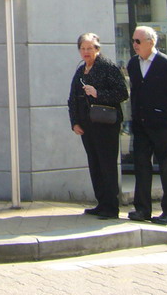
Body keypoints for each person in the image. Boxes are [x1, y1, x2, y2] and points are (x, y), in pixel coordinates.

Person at [127, 25, 167, 226]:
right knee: (142, 166)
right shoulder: (133, 64)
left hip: (162, 125)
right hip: (141, 124)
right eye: (133, 41)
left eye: (138, 41)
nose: (134, 45)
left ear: (151, 42)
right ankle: (142, 209)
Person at [67, 32, 129, 220]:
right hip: (87, 126)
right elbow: (72, 98)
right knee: (95, 164)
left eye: (90, 48)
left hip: (105, 124)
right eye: (83, 48)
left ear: (97, 49)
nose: (86, 52)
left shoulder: (107, 66)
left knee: (107, 164)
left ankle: (111, 207)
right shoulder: (81, 70)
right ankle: (101, 203)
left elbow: (122, 93)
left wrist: (97, 93)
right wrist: (74, 122)